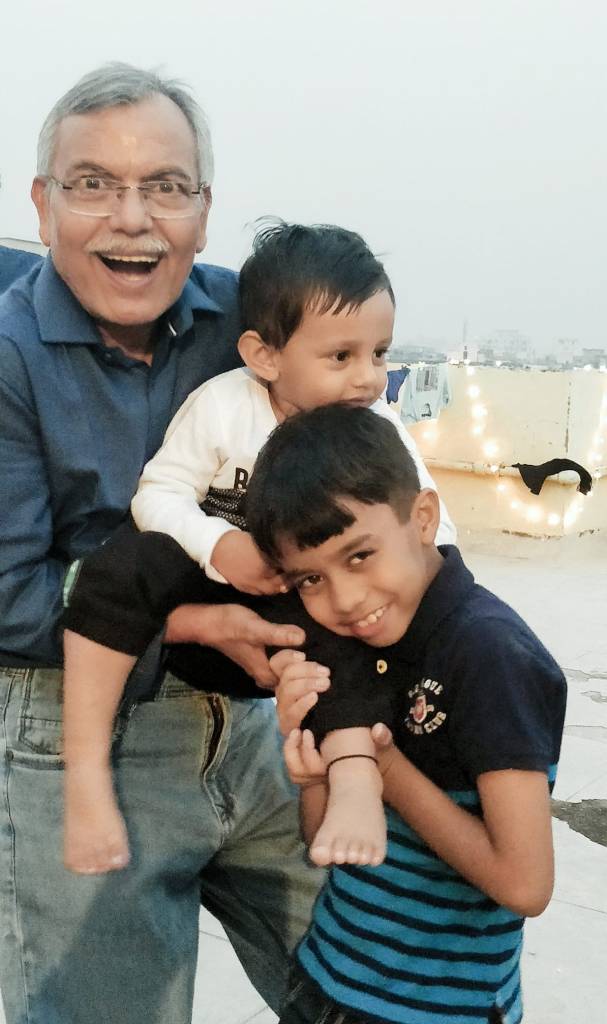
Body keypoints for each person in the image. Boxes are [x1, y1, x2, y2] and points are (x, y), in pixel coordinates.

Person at [0, 62, 326, 1024]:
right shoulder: (7, 355)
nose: (133, 219)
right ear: (43, 205)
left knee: (386, 977)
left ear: (204, 211)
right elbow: (7, 590)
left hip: (261, 722)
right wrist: (192, 623)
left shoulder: (251, 326)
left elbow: (356, 455)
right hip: (73, 723)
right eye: (93, 184)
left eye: (166, 186)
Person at [61, 220, 456, 875]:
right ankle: (85, 773)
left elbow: (431, 527)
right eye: (341, 357)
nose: (367, 379)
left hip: (298, 625)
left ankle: (355, 775)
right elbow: (159, 492)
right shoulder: (224, 407)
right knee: (123, 565)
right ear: (264, 356)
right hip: (204, 607)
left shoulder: (376, 428)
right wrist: (220, 546)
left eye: (380, 354)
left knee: (355, 619)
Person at [244, 403, 566, 1024]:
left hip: (435, 1009)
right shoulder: (351, 643)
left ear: (423, 517)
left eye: (359, 555)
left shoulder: (489, 654)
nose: (344, 599)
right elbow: (330, 843)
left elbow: (525, 884)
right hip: (324, 978)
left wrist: (382, 766)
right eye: (310, 580)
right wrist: (317, 779)